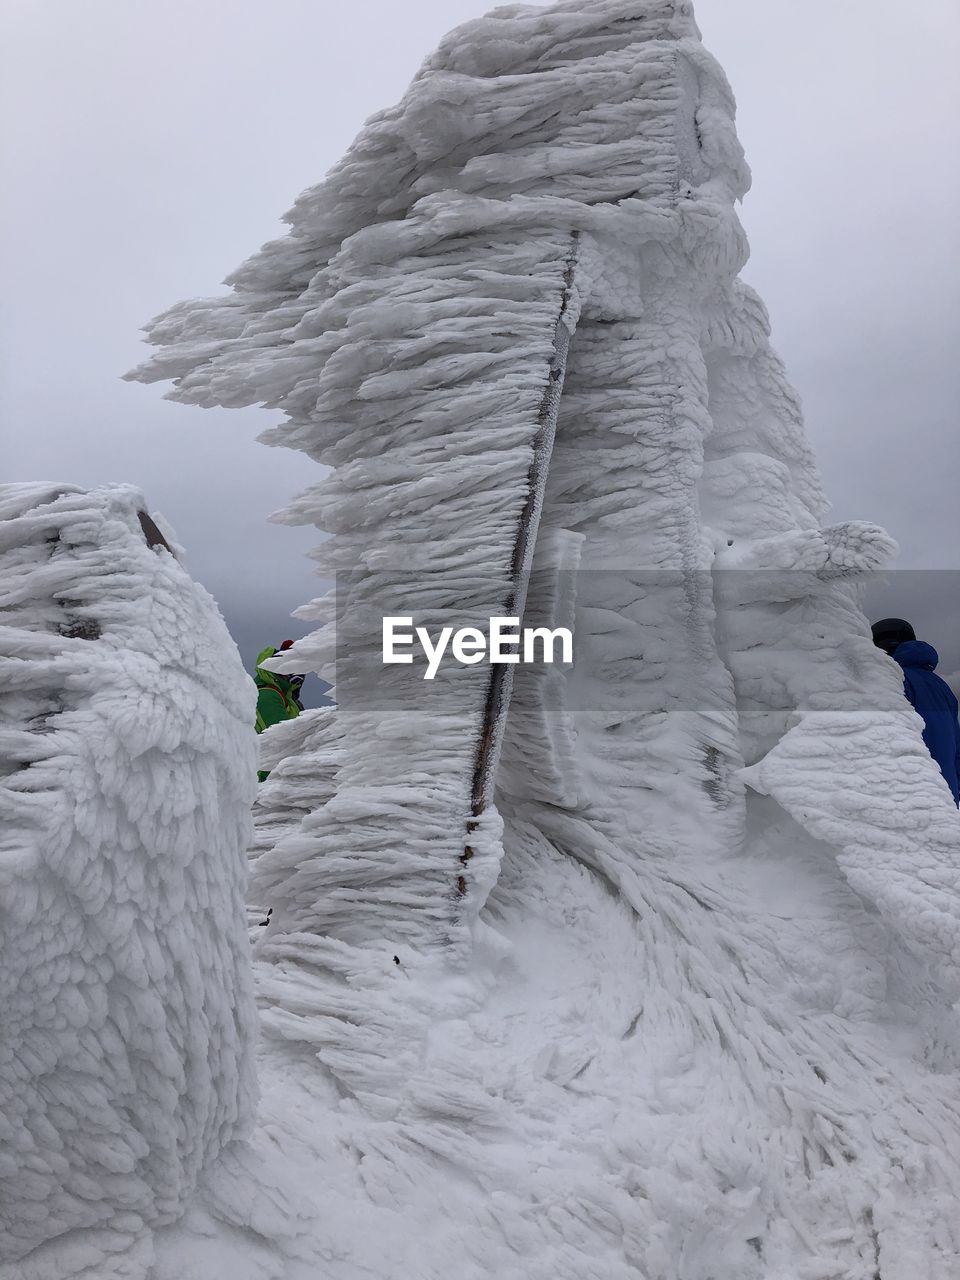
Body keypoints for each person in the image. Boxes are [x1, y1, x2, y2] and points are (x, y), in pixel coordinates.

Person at [872, 618, 960, 804]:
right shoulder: (941, 687)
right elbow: (956, 748)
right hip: (945, 796)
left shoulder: (894, 679)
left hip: (910, 795)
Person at [254, 640, 306, 780]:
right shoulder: (267, 695)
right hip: (267, 779)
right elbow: (282, 738)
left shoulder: (286, 697)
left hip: (274, 776)